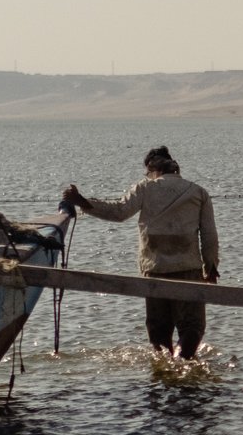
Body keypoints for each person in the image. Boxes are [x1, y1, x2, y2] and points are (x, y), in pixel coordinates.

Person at [61, 145, 220, 357]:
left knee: (159, 331)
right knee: (192, 327)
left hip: (154, 270)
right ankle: (182, 365)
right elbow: (209, 236)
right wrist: (210, 267)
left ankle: (166, 372)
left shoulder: (145, 188)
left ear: (152, 168)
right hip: (188, 270)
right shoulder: (198, 192)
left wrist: (82, 201)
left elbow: (119, 212)